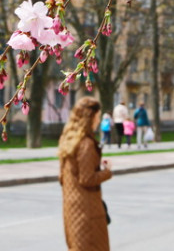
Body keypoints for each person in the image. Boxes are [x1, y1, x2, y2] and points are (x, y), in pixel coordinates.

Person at [58, 97, 113, 251]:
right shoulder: (86, 144)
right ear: (91, 117)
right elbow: (87, 178)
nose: (98, 120)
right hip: (88, 212)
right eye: (97, 116)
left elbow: (63, 177)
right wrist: (107, 172)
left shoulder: (68, 141)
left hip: (71, 208)